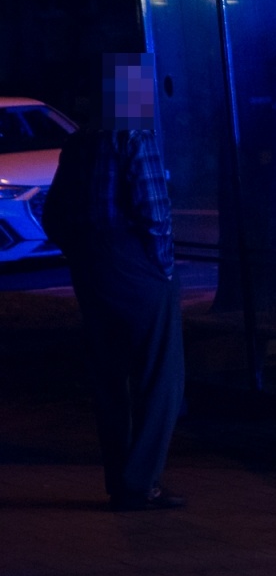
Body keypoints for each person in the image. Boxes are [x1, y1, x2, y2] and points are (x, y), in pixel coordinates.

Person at [42, 54, 187, 511]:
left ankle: (119, 480)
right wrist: (162, 267)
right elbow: (155, 212)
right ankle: (141, 481)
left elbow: (53, 215)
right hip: (135, 263)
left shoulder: (79, 143)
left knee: (109, 378)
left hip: (91, 265)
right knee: (161, 375)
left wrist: (81, 253)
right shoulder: (135, 135)